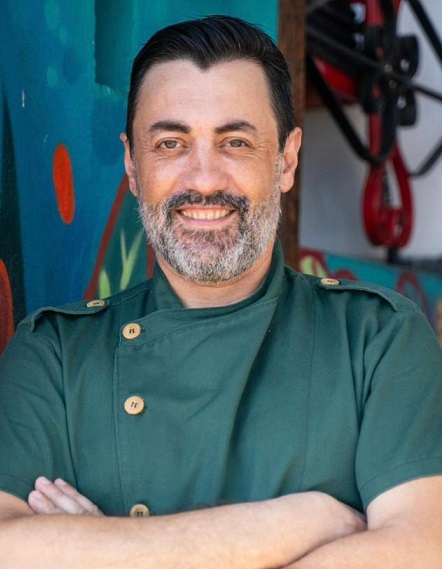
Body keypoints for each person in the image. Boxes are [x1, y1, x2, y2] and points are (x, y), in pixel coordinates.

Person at [0, 14, 441, 569]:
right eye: (170, 143)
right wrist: (295, 523)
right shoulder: (55, 355)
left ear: (285, 160)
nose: (204, 179)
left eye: (235, 142)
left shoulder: (379, 341)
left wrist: (104, 549)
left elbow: (422, 549)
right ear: (133, 166)